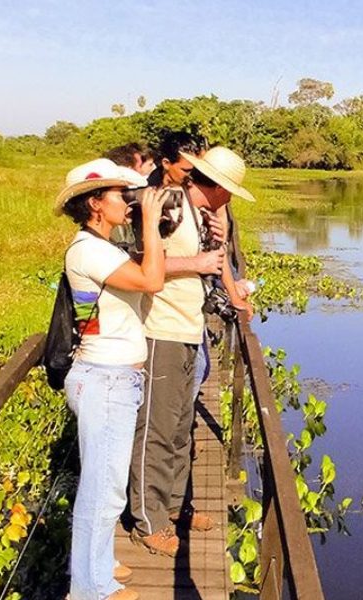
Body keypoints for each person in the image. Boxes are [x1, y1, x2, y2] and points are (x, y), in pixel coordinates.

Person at [128, 145, 255, 557]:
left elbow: (216, 264)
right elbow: (140, 261)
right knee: (156, 431)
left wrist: (234, 294)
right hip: (159, 333)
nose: (231, 198)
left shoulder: (201, 215)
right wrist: (196, 262)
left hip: (188, 329)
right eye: (230, 190)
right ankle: (148, 523)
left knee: (182, 429)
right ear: (218, 187)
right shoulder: (171, 206)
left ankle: (178, 508)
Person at [55, 158, 166, 600]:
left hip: (115, 380)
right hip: (104, 381)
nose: (130, 202)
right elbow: (152, 279)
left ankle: (98, 569)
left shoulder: (105, 247)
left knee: (107, 488)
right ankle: (89, 589)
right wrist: (153, 223)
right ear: (95, 204)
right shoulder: (88, 250)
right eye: (122, 196)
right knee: (102, 492)